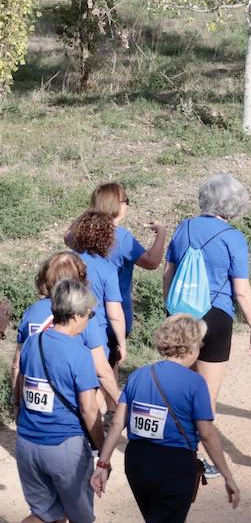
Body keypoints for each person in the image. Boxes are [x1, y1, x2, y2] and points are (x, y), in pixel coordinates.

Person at [93, 314, 241, 519]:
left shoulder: (138, 375)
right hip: (174, 466)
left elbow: (118, 423)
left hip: (137, 463)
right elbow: (206, 434)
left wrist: (102, 463)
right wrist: (227, 475)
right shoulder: (195, 382)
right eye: (200, 345)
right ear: (190, 346)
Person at [163, 172, 251, 475]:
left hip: (181, 314)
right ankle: (198, 457)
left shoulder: (184, 227)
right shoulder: (233, 237)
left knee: (177, 385)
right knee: (206, 394)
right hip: (216, 316)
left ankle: (171, 448)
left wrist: (171, 309)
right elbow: (241, 290)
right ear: (233, 205)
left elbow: (168, 272)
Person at [14, 279, 103, 523]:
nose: (89, 319)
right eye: (89, 313)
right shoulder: (79, 353)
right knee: (80, 518)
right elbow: (89, 409)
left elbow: (20, 387)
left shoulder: (34, 342)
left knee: (43, 516)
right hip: (64, 448)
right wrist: (103, 449)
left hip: (27, 445)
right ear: (75, 316)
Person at [65, 183, 166, 371]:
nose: (127, 205)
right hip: (114, 316)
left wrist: (90, 212)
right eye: (126, 201)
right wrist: (161, 233)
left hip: (80, 311)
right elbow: (152, 262)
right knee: (108, 372)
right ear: (117, 206)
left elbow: (67, 236)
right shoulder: (121, 237)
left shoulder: (82, 234)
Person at [13, 254, 120, 413]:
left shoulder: (32, 312)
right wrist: (119, 399)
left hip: (33, 401)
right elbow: (102, 369)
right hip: (68, 402)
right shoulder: (81, 315)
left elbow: (17, 364)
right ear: (77, 280)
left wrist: (16, 402)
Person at [68, 213, 126, 377]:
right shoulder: (107, 269)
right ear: (107, 238)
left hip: (64, 329)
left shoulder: (67, 260)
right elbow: (114, 314)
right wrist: (121, 343)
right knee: (95, 386)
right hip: (95, 334)